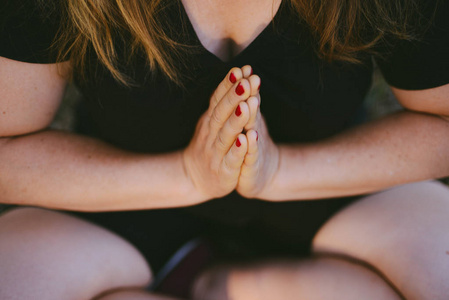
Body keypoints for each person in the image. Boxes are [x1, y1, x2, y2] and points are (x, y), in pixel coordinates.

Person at [1, 0, 449, 299]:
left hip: (330, 179)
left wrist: (280, 172)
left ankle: (216, 281)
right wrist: (186, 175)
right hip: (118, 193)